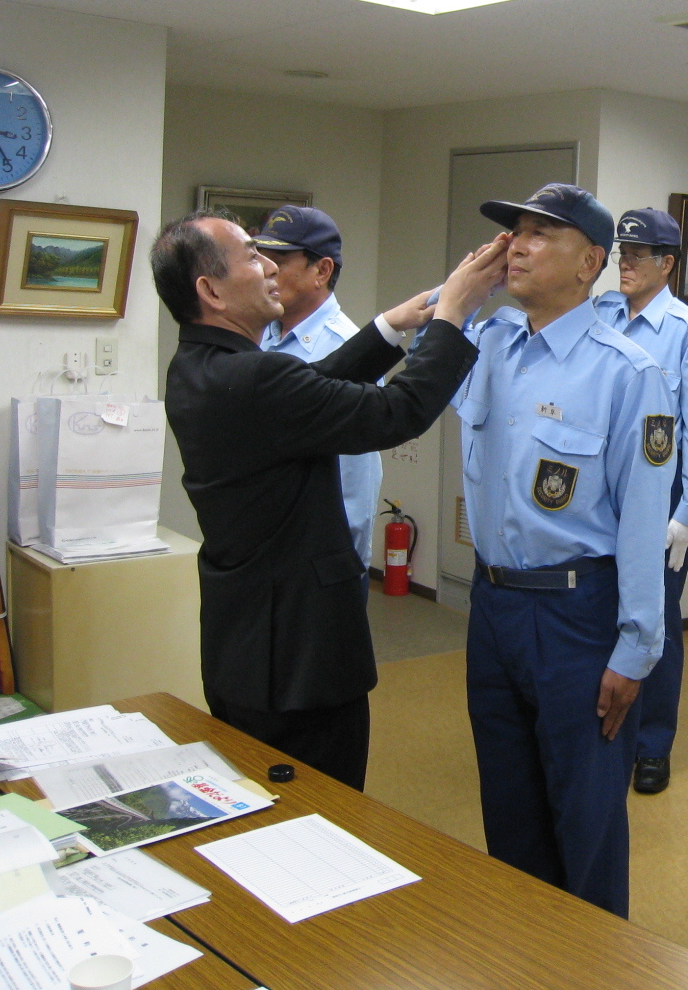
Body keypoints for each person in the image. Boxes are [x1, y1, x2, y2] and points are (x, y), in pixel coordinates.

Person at [154, 210, 503, 789]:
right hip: (299, 666)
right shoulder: (255, 380)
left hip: (247, 652)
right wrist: (452, 316)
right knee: (319, 820)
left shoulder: (198, 367)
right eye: (251, 256)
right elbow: (399, 411)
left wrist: (393, 326)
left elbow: (310, 389)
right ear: (211, 290)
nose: (268, 266)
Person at [453, 183, 674, 918]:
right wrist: (461, 290)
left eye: (540, 234)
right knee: (509, 807)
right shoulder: (483, 344)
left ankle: (597, 964)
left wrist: (636, 647)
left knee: (585, 817)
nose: (517, 244)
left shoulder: (628, 371)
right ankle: (526, 956)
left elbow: (644, 520)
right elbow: (413, 359)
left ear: (590, 263)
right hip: (493, 606)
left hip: (576, 615)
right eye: (513, 232)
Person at [594, 207, 688, 796]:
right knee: (604, 612)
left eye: (638, 255)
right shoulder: (602, 315)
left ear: (667, 264)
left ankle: (652, 745)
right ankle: (607, 726)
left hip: (661, 494)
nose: (626, 264)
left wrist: (686, 515)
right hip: (603, 486)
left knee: (656, 622)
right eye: (622, 253)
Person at [251, 206, 384, 566]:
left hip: (318, 560)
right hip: (260, 548)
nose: (266, 270)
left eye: (279, 260)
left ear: (322, 271)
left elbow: (354, 479)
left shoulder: (348, 349)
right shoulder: (260, 336)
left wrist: (342, 565)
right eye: (261, 257)